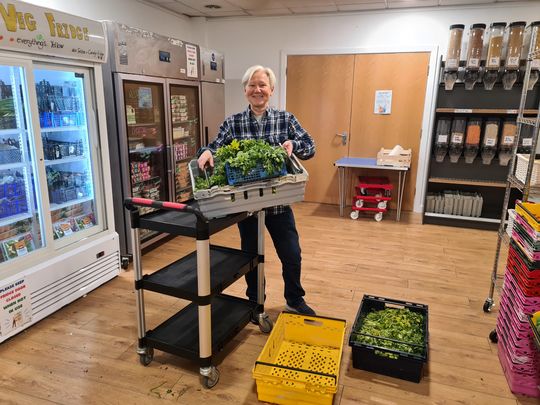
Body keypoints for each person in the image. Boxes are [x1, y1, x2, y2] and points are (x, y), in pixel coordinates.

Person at [197, 65, 316, 316]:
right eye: (252, 85)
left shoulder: (286, 119)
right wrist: (206, 152)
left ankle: (294, 299)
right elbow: (215, 147)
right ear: (245, 91)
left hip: (278, 202)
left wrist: (293, 144)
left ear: (271, 90)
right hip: (246, 204)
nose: (257, 90)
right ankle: (255, 301)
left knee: (291, 254)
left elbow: (310, 146)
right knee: (250, 256)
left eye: (262, 85)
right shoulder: (234, 122)